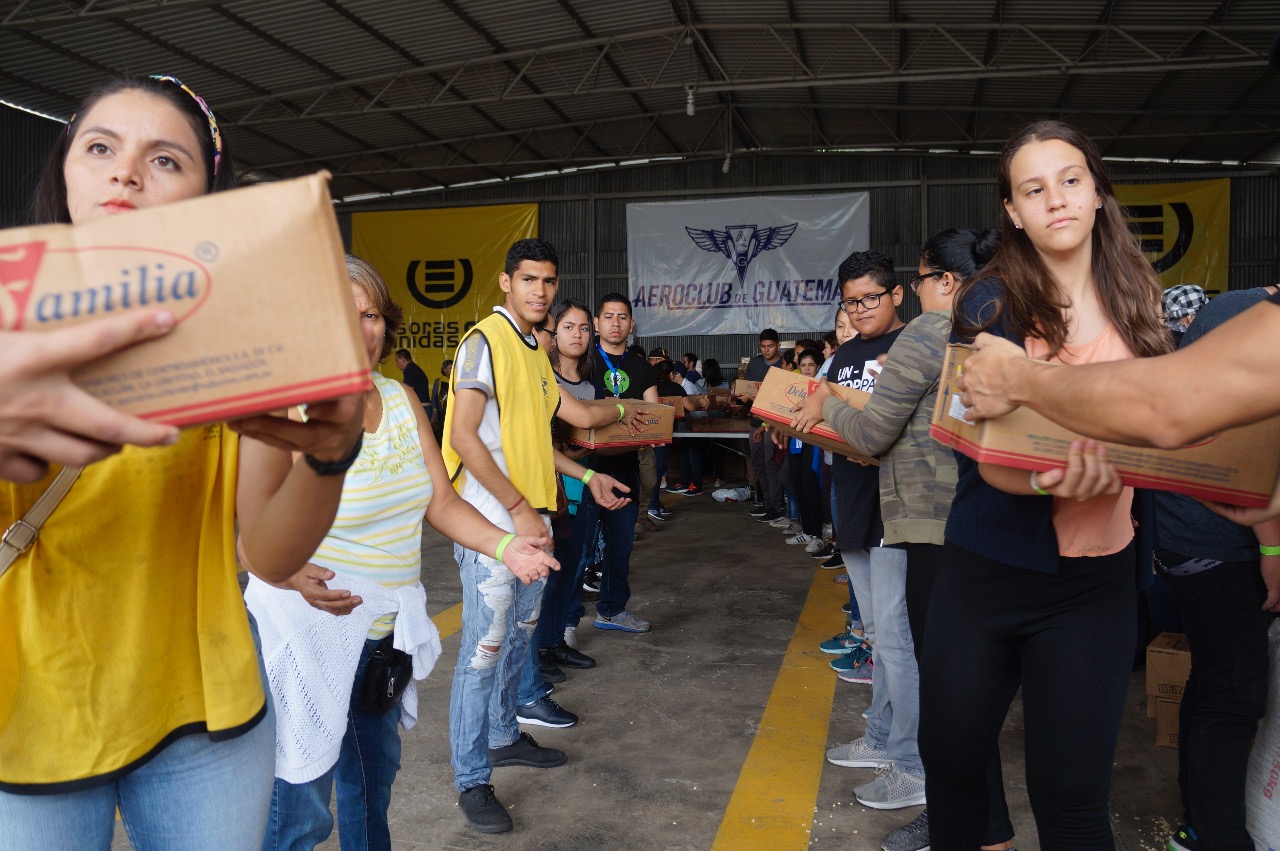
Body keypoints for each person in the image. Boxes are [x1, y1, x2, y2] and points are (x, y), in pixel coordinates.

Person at [0, 74, 366, 851]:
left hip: (205, 716)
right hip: (28, 713)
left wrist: (331, 456)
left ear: (210, 199)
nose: (125, 172)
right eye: (100, 147)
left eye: (166, 159)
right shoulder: (6, 325)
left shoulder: (240, 347)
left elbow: (268, 555)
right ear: (65, 169)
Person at [248, 257, 558, 851]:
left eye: (369, 315)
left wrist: (505, 546)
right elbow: (245, 535)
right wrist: (287, 574)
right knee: (298, 810)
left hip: (379, 638)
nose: (358, 328)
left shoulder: (396, 398)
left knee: (370, 789)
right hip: (303, 636)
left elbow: (440, 502)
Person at [920, 119, 1170, 849]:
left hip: (1095, 582)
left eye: (1070, 180)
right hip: (988, 570)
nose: (1056, 199)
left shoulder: (1141, 300)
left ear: (1097, 191)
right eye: (1034, 188)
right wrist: (1057, 479)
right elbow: (990, 454)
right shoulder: (989, 303)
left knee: (1071, 795)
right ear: (1013, 211)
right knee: (953, 755)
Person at [794, 228, 1014, 851]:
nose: (861, 310)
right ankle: (920, 770)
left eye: (914, 282)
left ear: (940, 283)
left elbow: (872, 434)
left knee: (929, 660)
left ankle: (926, 782)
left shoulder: (928, 333)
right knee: (924, 652)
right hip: (968, 514)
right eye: (850, 301)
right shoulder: (1002, 333)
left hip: (925, 516)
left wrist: (822, 408)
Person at [440, 239, 633, 834]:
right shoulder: (484, 343)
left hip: (534, 520)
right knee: (482, 651)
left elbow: (566, 425)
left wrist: (592, 471)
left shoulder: (534, 352)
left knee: (520, 638)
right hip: (493, 522)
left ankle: (502, 735)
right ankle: (471, 778)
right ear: (506, 282)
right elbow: (466, 437)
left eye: (549, 281)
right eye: (529, 279)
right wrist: (520, 508)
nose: (541, 291)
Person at [1149, 284, 1280, 851]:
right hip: (1214, 539)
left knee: (1215, 676)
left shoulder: (1241, 307)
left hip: (1203, 533)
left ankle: (1200, 820)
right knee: (1235, 694)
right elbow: (1243, 447)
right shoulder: (1255, 321)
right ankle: (1217, 837)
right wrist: (1274, 552)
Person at [588, 293, 661, 633]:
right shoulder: (584, 361)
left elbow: (655, 417)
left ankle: (612, 609)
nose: (615, 322)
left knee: (621, 545)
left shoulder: (641, 367)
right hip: (584, 468)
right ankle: (565, 623)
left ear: (632, 325)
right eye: (608, 316)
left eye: (622, 317)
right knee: (577, 548)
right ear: (597, 323)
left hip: (624, 468)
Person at [742, 328, 785, 520]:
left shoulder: (783, 366)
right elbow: (747, 388)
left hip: (774, 423)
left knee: (771, 465)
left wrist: (765, 424)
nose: (766, 350)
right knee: (758, 464)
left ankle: (777, 507)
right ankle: (767, 503)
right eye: (763, 346)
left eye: (770, 346)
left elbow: (781, 398)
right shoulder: (755, 362)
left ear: (778, 345)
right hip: (755, 419)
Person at [393, 348, 430, 414]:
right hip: (423, 406)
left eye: (397, 361)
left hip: (420, 407)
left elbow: (409, 390)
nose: (396, 364)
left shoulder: (410, 370)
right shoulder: (413, 368)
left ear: (403, 360)